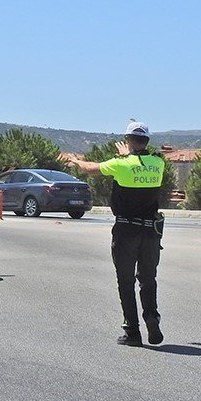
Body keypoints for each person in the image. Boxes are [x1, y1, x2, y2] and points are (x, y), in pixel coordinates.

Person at [72, 121, 166, 347]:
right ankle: (152, 317)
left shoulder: (120, 164)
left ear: (128, 140)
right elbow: (140, 162)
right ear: (147, 141)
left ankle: (132, 332)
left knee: (125, 281)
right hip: (151, 231)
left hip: (126, 230)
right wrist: (129, 154)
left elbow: (91, 168)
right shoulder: (158, 164)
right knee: (147, 278)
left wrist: (76, 161)